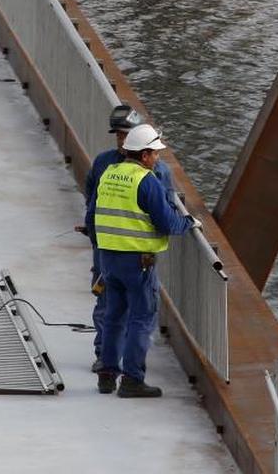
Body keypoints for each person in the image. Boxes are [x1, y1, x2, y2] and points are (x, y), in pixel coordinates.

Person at [93, 123, 199, 397]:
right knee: (141, 319)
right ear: (143, 155)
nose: (157, 159)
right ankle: (132, 380)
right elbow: (166, 222)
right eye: (154, 154)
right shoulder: (146, 180)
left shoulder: (109, 173)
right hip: (138, 262)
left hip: (108, 258)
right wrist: (188, 222)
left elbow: (92, 211)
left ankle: (106, 375)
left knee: (114, 316)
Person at [80, 104, 176, 374]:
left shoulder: (158, 170)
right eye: (118, 135)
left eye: (126, 135)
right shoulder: (104, 161)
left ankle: (113, 366)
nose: (122, 140)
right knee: (112, 304)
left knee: (126, 310)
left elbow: (163, 207)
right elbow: (92, 198)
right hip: (111, 249)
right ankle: (111, 362)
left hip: (131, 251)